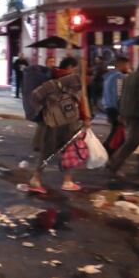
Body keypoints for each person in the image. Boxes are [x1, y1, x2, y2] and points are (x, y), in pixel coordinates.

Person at [28, 56, 90, 193]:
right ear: (70, 67)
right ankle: (43, 179)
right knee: (60, 150)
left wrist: (44, 109)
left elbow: (36, 96)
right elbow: (36, 94)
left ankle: (55, 179)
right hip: (62, 122)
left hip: (59, 122)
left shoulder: (57, 78)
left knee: (56, 150)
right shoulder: (70, 79)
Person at [107, 55, 139, 178]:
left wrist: (121, 113)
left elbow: (122, 97)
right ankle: (113, 165)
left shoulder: (130, 77)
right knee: (132, 142)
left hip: (127, 114)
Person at [101, 56, 130, 154]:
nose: (128, 67)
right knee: (117, 136)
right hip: (116, 109)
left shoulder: (108, 76)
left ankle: (106, 154)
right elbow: (119, 94)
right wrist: (121, 111)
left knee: (117, 134)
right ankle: (105, 154)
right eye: (127, 65)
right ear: (121, 64)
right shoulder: (119, 77)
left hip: (109, 107)